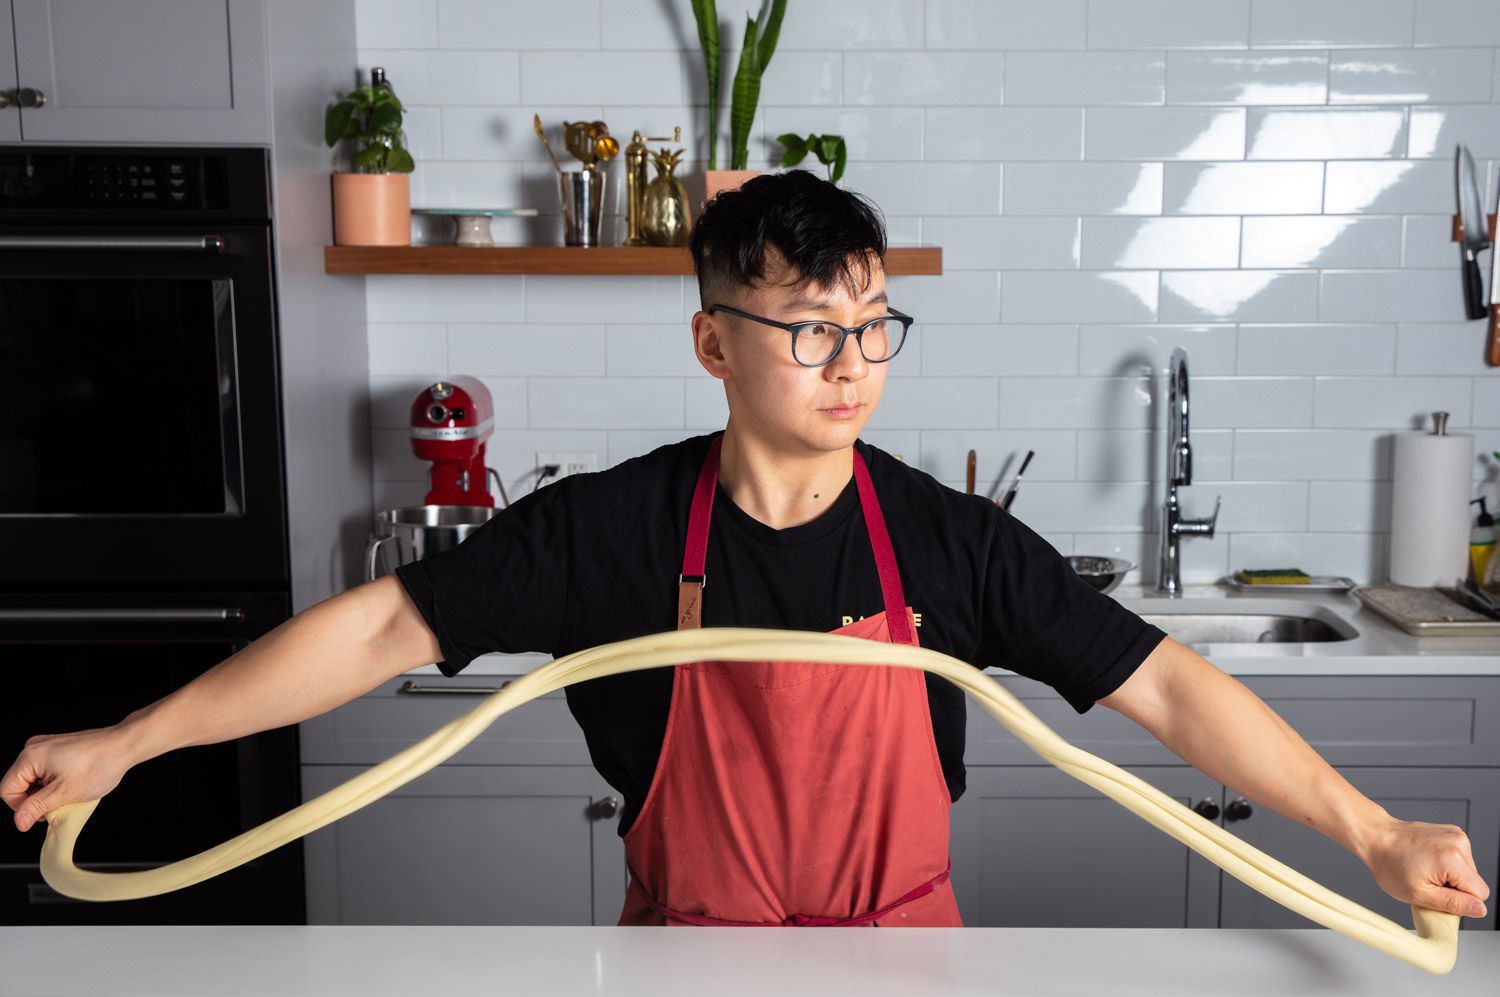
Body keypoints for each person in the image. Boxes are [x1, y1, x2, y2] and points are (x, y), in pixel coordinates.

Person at [3, 171, 1489, 927]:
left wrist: (1374, 835)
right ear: (714, 342)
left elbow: (1166, 688)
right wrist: (137, 738)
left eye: (871, 325)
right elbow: (381, 630)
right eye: (810, 328)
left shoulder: (947, 543)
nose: (852, 362)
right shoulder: (615, 529)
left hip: (917, 996)